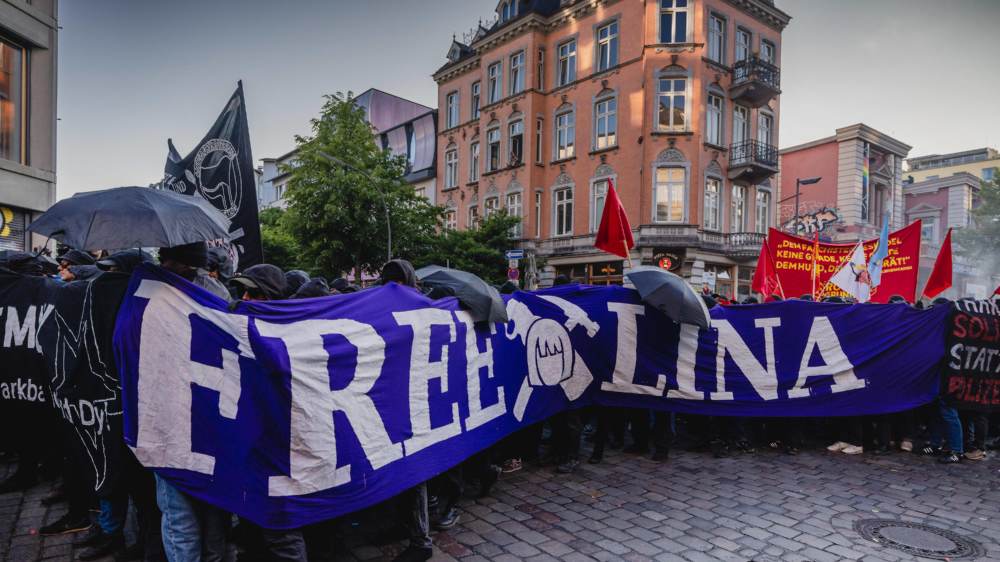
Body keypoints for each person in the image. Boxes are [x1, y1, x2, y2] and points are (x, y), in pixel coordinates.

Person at [155, 242, 232, 561]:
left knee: (179, 518)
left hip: (174, 423)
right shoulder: (223, 296)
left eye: (164, 258)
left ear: (178, 262)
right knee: (217, 514)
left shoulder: (161, 297)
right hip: (217, 421)